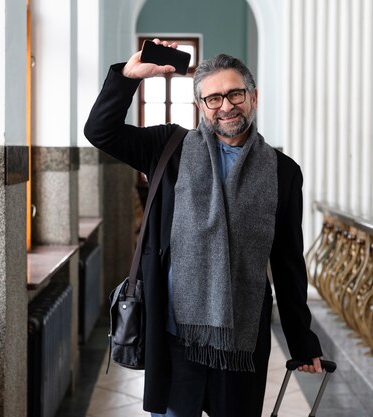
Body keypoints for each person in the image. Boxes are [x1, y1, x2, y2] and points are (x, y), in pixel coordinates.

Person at [84, 39, 323, 417]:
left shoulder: (283, 171)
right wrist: (128, 78)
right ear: (200, 106)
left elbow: (288, 259)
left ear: (253, 97)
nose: (226, 106)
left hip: (239, 336)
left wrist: (302, 340)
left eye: (235, 94)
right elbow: (101, 131)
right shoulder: (168, 147)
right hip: (174, 332)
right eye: (213, 98)